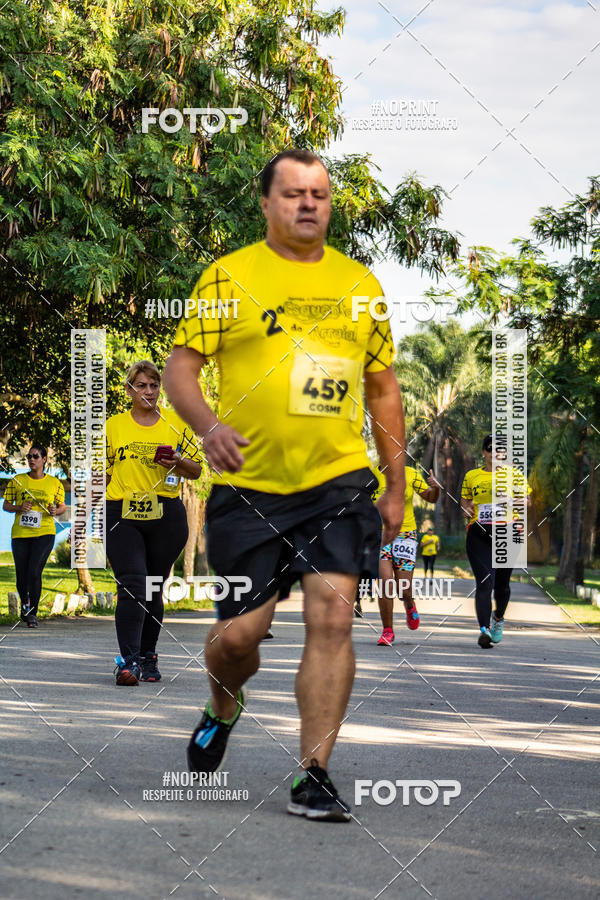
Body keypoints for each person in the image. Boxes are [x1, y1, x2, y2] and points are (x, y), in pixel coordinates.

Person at [163, 148, 405, 823]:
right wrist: (206, 425)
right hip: (248, 486)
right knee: (240, 638)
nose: (308, 204)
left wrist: (396, 484)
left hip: (336, 484)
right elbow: (182, 367)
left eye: (320, 195)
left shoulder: (360, 284)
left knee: (331, 618)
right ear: (266, 203)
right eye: (294, 193)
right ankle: (223, 703)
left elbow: (382, 389)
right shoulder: (230, 276)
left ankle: (314, 773)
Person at [106, 360, 203, 685]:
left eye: (153, 385)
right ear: (129, 390)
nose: (148, 391)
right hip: (122, 512)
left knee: (152, 588)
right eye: (141, 385)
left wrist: (177, 461)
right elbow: (100, 472)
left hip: (166, 515)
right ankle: (127, 662)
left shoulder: (177, 423)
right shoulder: (113, 426)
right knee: (132, 584)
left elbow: (197, 470)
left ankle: (149, 656)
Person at [461, 434, 532, 648]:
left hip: (508, 534)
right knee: (484, 582)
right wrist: (466, 509)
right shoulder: (472, 475)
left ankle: (498, 619)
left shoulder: (515, 475)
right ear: (484, 452)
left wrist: (510, 499)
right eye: (491, 448)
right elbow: (464, 503)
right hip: (479, 533)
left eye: (501, 450)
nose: (495, 453)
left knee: (501, 586)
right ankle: (484, 630)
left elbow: (527, 502)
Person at [374, 464, 440, 645]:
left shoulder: (410, 474)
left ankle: (409, 604)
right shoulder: (370, 477)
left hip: (405, 535)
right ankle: (388, 631)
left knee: (404, 589)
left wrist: (436, 488)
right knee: (385, 583)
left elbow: (431, 498)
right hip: (380, 535)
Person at [3, 444, 66, 627]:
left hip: (45, 532)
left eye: (35, 456)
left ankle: (33, 613)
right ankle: (25, 603)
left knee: (34, 571)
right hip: (21, 533)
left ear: (44, 459)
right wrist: (18, 507)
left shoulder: (54, 482)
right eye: (29, 456)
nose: (31, 459)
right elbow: (6, 505)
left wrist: (56, 510)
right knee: (21, 574)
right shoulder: (17, 480)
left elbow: (61, 506)